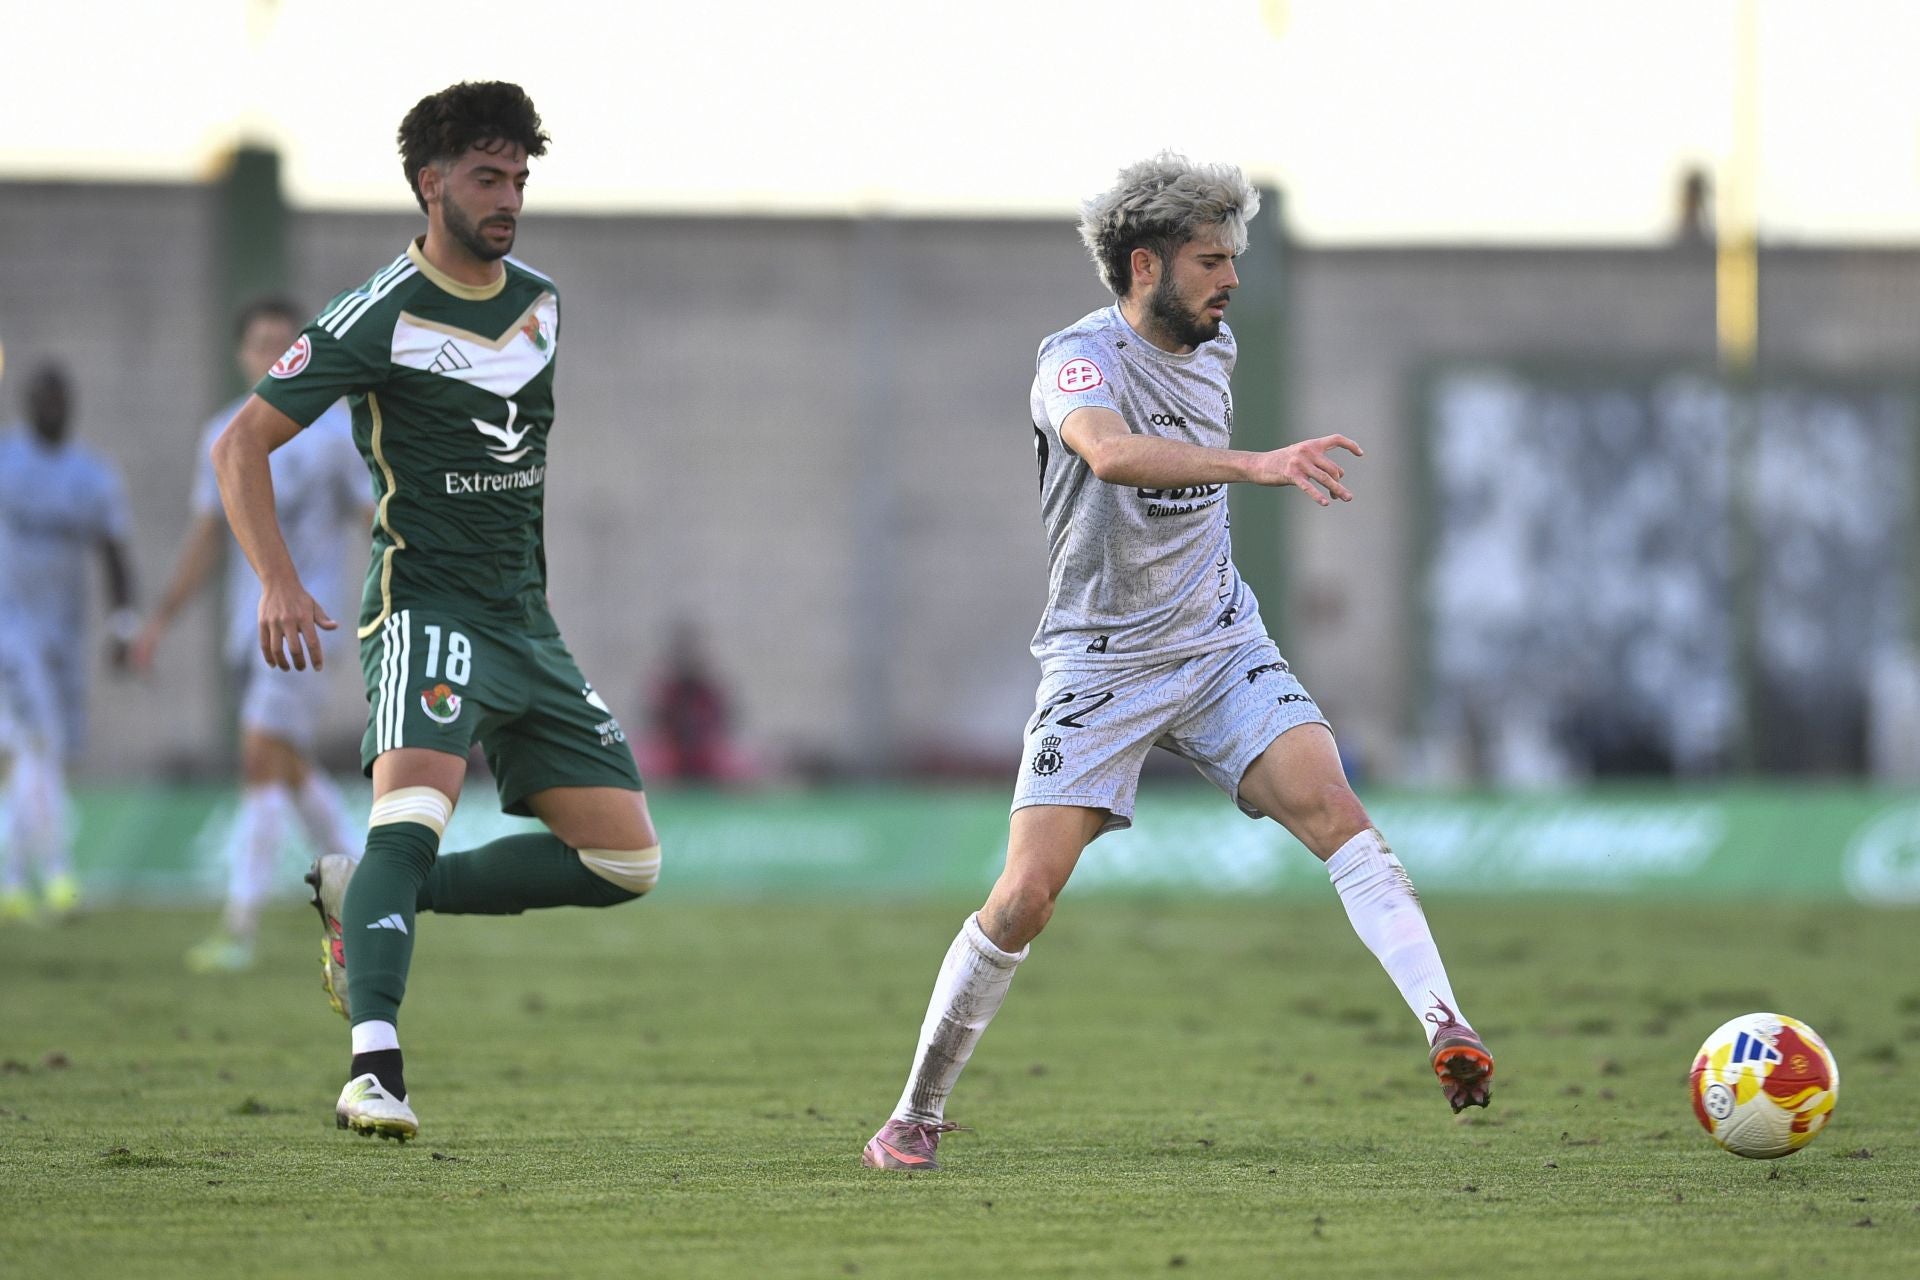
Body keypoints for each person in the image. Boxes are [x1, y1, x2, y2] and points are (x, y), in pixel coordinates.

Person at [861, 154, 1493, 1172]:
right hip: (1100, 664)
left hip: (1218, 643)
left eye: (1234, 258)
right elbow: (1108, 453)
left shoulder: (1218, 346)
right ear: (1145, 263)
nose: (1229, 279)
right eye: (1210, 259)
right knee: (1024, 896)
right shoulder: (1075, 362)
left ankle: (1444, 1022)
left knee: (1340, 811)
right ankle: (914, 1114)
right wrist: (1258, 464)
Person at [211, 81, 659, 1142]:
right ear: (430, 183)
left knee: (625, 861)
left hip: (524, 622)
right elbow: (240, 446)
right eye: (487, 178)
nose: (508, 199)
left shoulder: (542, 303)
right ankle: (374, 1064)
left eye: (518, 179)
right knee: (411, 819)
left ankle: (355, 892)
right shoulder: (379, 313)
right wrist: (278, 577)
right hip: (427, 609)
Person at [133, 298, 370, 972]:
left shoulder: (332, 431)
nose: (271, 353)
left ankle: (239, 926)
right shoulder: (227, 432)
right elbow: (207, 538)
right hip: (249, 627)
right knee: (290, 769)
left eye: (282, 342)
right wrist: (161, 620)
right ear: (242, 354)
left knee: (260, 762)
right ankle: (376, 895)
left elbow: (372, 518)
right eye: (259, 342)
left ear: (300, 352)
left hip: (307, 626)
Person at [0, 363, 137, 922]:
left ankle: (12, 879)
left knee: (32, 755)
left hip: (64, 633)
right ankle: (56, 872)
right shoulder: (6, 460)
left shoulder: (91, 475)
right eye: (41, 398)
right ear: (25, 404)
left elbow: (114, 551)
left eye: (58, 398)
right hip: (10, 630)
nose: (50, 407)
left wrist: (122, 623)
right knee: (41, 744)